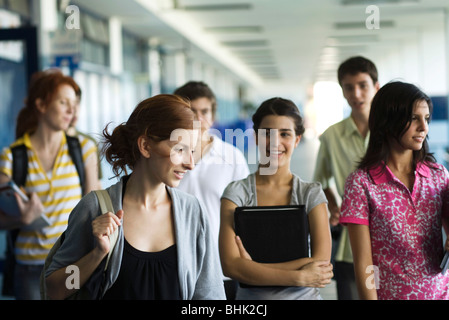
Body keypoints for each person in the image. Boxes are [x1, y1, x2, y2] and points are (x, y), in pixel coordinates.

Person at [45, 94, 226, 300]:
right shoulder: (95, 208)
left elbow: (210, 296)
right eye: (180, 149)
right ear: (146, 146)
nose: (190, 163)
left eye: (192, 151)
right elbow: (55, 290)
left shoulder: (192, 212)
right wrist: (96, 254)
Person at [340, 81, 449, 300]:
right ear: (387, 121)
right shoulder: (362, 183)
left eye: (426, 119)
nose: (424, 128)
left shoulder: (439, 176)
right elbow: (364, 263)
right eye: (413, 118)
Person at [219, 97, 333, 300]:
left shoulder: (310, 194)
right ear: (256, 137)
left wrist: (250, 268)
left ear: (297, 140)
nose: (275, 142)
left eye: (285, 134)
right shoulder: (236, 194)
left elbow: (320, 265)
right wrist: (299, 276)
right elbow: (230, 266)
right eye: (267, 134)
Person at [0, 69, 100, 299]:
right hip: (29, 268)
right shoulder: (13, 157)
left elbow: (93, 208)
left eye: (74, 103)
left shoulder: (84, 149)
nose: (71, 109)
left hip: (72, 262)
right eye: (63, 102)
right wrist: (21, 219)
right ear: (42, 105)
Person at [173, 81, 250, 299]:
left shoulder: (232, 157)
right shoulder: (166, 157)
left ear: (213, 115)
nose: (198, 119)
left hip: (221, 267)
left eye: (204, 111)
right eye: (190, 112)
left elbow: (244, 214)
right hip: (176, 264)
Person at [312, 56, 380, 299]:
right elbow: (319, 180)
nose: (357, 94)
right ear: (342, 91)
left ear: (376, 87)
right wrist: (332, 203)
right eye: (349, 87)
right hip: (351, 242)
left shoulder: (392, 133)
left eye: (363, 85)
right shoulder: (331, 137)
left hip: (391, 237)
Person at [66, 87, 103, 182]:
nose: (73, 109)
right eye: (65, 103)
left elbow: (97, 185)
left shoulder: (88, 143)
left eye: (77, 102)